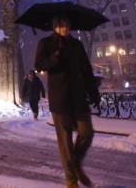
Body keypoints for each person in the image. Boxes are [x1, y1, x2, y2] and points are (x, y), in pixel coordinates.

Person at [35, 15, 100, 188]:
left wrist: (94, 93)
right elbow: (39, 65)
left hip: (78, 97)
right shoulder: (46, 43)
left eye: (67, 25)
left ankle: (76, 164)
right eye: (61, 25)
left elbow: (86, 70)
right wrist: (55, 56)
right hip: (60, 98)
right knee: (65, 142)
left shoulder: (76, 45)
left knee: (87, 133)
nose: (64, 28)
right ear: (55, 26)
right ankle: (71, 181)